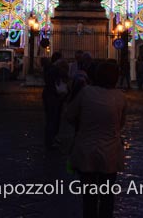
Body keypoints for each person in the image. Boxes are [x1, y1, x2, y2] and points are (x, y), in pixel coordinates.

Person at [66, 59, 127, 218]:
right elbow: (121, 123)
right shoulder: (120, 96)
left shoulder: (86, 92)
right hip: (111, 152)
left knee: (89, 198)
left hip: (87, 150)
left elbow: (70, 115)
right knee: (107, 196)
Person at [42, 54, 69, 149]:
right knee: (53, 119)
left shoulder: (49, 70)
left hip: (50, 96)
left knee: (51, 119)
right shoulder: (55, 71)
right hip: (54, 98)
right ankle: (50, 140)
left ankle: (50, 139)